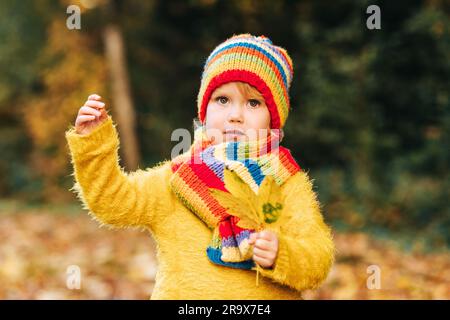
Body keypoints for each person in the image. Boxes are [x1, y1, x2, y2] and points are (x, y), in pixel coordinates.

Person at [65, 34, 335, 299]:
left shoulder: (285, 182)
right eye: (222, 100)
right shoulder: (178, 177)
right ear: (204, 111)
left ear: (273, 119)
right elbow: (112, 202)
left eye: (253, 102)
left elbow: (318, 258)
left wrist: (283, 253)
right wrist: (93, 145)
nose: (235, 115)